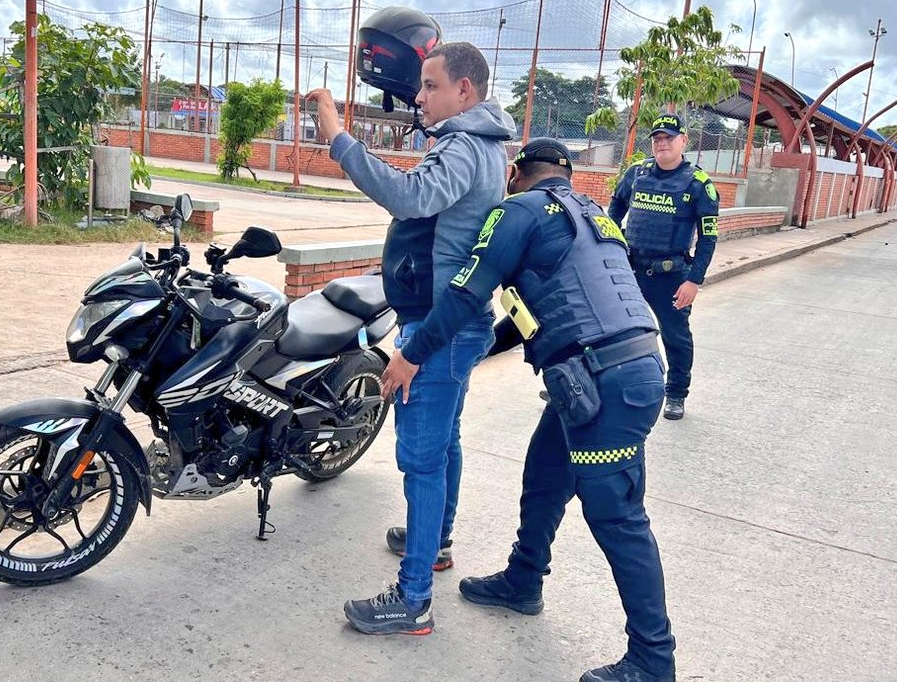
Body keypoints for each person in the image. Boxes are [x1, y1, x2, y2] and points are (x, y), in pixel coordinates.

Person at [383, 138, 676, 682]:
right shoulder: (591, 212)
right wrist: (474, 352)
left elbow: (467, 293)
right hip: (618, 369)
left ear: (515, 173)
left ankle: (653, 659)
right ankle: (524, 579)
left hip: (602, 383)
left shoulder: (516, 211)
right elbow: (538, 307)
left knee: (618, 517)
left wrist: (412, 356)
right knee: (544, 476)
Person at [305, 39, 515, 635]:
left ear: (464, 91)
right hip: (453, 316)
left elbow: (407, 195)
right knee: (443, 442)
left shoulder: (467, 147)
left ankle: (414, 597)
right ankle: (438, 540)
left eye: (430, 86)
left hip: (441, 327)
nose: (419, 97)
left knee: (421, 459)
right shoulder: (474, 143)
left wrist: (339, 138)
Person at [608, 113, 719, 420]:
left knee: (675, 337)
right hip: (630, 268)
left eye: (669, 138)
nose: (662, 144)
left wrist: (694, 281)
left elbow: (708, 238)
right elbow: (615, 209)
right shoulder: (636, 173)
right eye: (657, 139)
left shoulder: (698, 183)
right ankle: (584, 382)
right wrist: (612, 244)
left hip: (671, 276)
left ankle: (676, 394)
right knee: (604, 325)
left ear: (684, 141)